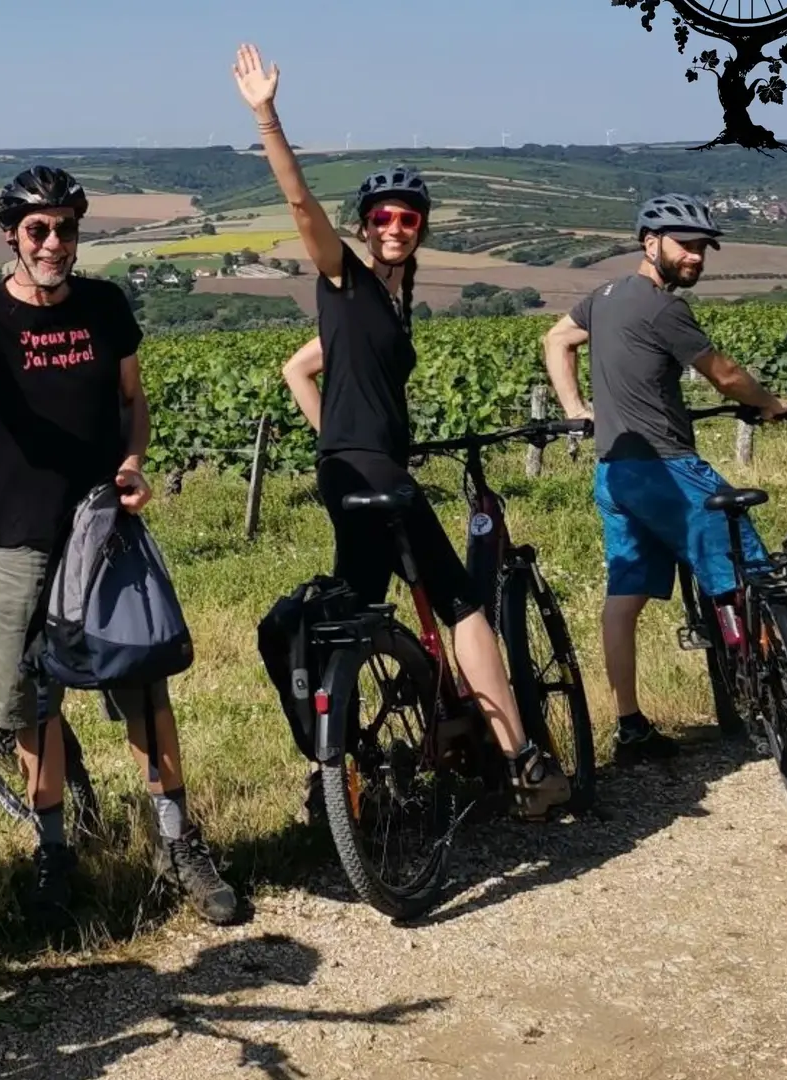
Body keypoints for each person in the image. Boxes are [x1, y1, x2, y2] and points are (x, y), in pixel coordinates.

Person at [232, 42, 572, 821]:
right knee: (461, 606)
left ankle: (345, 777)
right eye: (381, 218)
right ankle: (522, 763)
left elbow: (298, 367)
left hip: (352, 470)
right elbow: (300, 210)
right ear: (364, 227)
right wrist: (267, 117)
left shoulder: (380, 309)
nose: (394, 227)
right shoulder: (345, 280)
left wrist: (336, 443)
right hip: (370, 472)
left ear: (420, 230)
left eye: (406, 219)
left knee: (358, 602)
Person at [0, 165, 240, 927]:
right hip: (19, 536)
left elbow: (132, 402)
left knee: (143, 681)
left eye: (66, 228)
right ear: (14, 239)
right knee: (32, 702)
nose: (55, 242)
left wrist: (132, 463)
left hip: (102, 530)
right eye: (39, 230)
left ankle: (177, 843)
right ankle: (52, 850)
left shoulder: (106, 306)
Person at [541, 193, 787, 761]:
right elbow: (727, 377)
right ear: (649, 243)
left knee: (625, 598)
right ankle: (785, 695)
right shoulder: (663, 308)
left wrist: (577, 409)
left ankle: (631, 726)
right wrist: (772, 403)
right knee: (745, 570)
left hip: (615, 472)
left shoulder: (603, 297)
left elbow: (556, 339)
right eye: (686, 245)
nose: (697, 258)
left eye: (703, 248)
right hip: (667, 468)